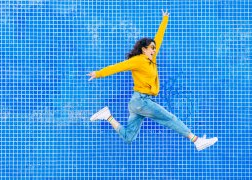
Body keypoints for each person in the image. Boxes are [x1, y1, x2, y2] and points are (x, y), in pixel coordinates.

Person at [87, 10, 218, 151]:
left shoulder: (151, 60)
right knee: (170, 118)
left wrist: (165, 20)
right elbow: (118, 67)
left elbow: (159, 38)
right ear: (144, 49)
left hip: (137, 103)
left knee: (128, 137)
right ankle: (196, 140)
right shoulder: (137, 60)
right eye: (151, 48)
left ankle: (107, 116)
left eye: (154, 48)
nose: (154, 50)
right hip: (141, 101)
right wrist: (98, 73)